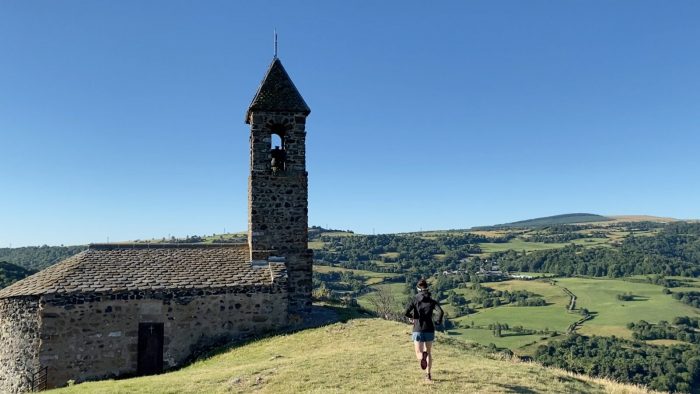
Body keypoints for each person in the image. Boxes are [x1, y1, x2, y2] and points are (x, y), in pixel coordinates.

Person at [404, 278, 444, 381]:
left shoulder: (415, 300)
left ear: (418, 289)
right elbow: (441, 312)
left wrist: (412, 317)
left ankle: (422, 357)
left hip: (418, 328)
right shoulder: (432, 301)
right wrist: (438, 322)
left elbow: (406, 312)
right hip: (430, 328)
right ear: (427, 288)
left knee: (418, 352)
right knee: (429, 352)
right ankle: (428, 375)